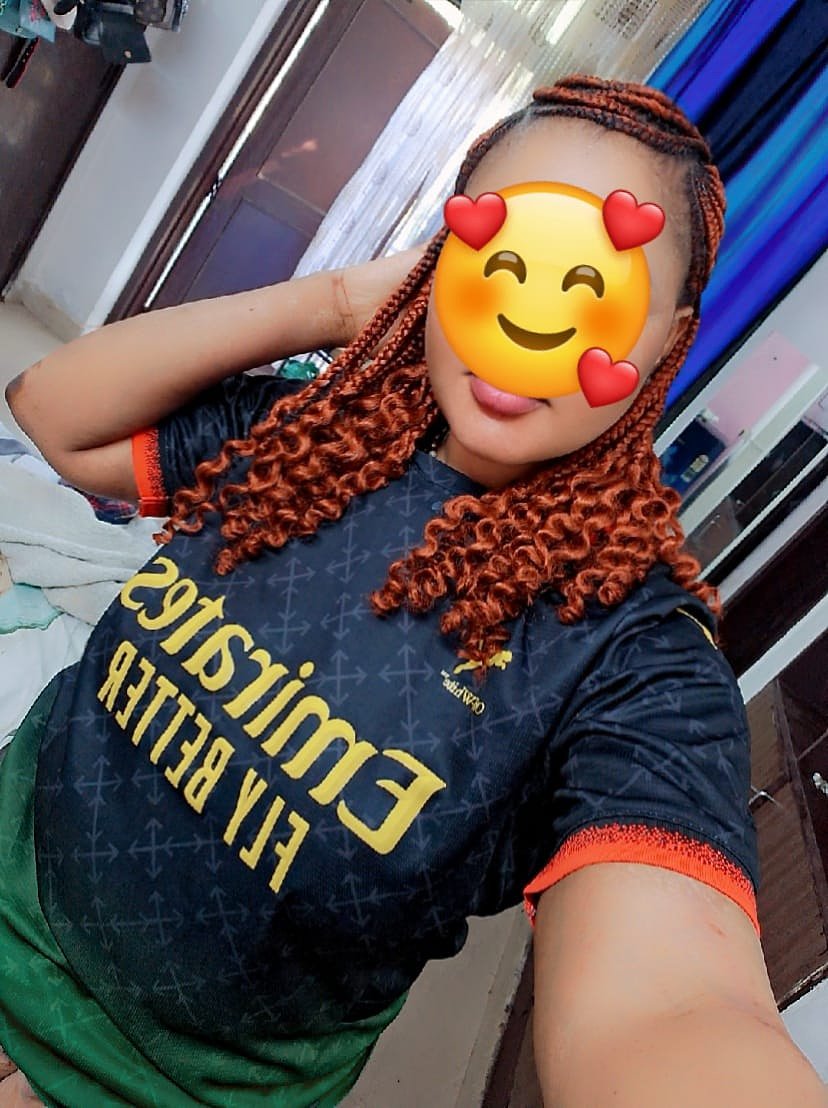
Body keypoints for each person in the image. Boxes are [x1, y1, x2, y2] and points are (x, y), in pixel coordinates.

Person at [1, 74, 825, 1108]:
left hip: (139, 1088)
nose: (530, 321)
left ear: (667, 336)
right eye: (500, 259)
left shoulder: (633, 654)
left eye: (592, 290)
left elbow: (672, 1008)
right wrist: (347, 304)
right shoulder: (317, 435)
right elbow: (53, 413)